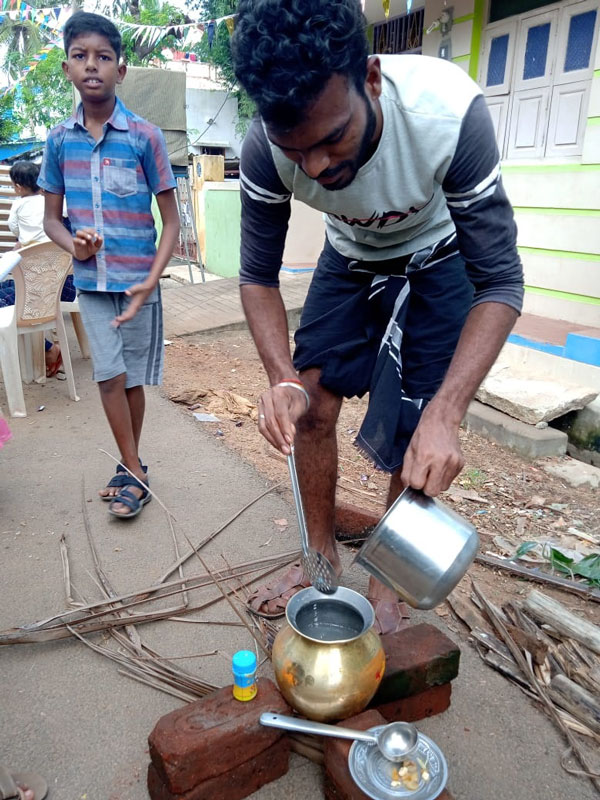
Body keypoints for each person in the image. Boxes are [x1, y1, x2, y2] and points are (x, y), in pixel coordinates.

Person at [231, 0, 524, 633]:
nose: (315, 169)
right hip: (351, 256)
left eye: (331, 138)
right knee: (308, 404)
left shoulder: (447, 116)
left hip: (442, 255)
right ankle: (316, 561)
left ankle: (385, 581)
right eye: (295, 148)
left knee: (418, 429)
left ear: (370, 78)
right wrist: (281, 375)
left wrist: (447, 415)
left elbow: (501, 281)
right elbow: (256, 276)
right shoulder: (263, 149)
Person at [39, 11, 180, 519]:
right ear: (67, 67)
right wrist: (73, 246)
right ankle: (135, 470)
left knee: (132, 378)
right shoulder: (58, 141)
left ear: (121, 70)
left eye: (103, 57)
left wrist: (152, 280)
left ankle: (129, 466)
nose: (91, 66)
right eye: (81, 56)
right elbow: (52, 219)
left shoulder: (146, 138)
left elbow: (172, 223)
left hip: (139, 281)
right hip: (93, 284)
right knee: (107, 375)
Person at [2, 160, 74, 376]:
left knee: (6, 303)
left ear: (17, 187)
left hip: (34, 292)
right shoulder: (57, 207)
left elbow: (16, 230)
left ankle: (49, 349)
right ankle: (43, 350)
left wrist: (21, 243)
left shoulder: (18, 207)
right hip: (64, 287)